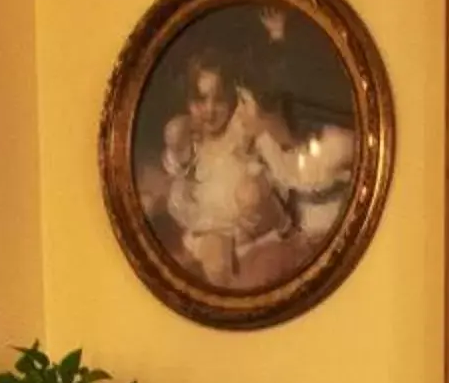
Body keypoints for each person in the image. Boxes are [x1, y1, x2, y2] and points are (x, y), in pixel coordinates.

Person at [151, 48, 354, 289]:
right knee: (214, 261)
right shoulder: (190, 135)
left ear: (232, 99)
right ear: (188, 103)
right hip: (212, 222)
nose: (210, 109)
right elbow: (176, 167)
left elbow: (276, 149)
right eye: (200, 100)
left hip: (254, 220)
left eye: (219, 99)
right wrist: (178, 142)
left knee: (251, 195)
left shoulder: (240, 126)